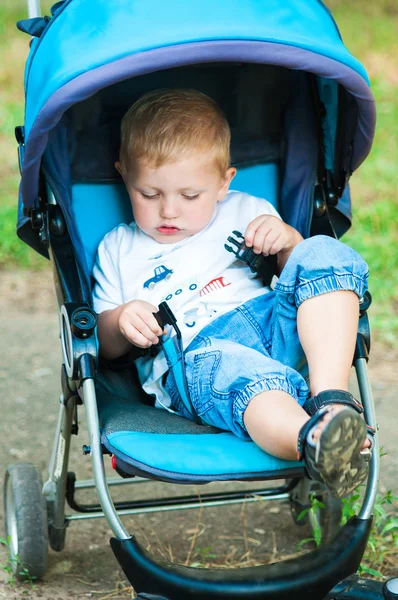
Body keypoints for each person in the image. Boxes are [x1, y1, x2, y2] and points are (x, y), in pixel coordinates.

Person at [93, 89, 371, 498]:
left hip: (277, 326)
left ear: (224, 183)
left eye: (190, 196)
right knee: (247, 377)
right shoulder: (118, 248)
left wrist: (289, 242)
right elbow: (101, 345)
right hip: (199, 355)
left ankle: (332, 400)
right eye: (149, 194)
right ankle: (315, 440)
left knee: (323, 252)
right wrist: (121, 322)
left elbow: (300, 276)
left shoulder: (248, 210)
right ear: (124, 176)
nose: (169, 211)